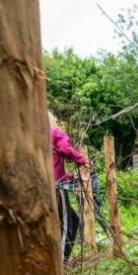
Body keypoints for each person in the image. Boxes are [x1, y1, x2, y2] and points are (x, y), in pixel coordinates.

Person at [50, 112, 87, 262]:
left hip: (44, 184)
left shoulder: (34, 138)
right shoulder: (55, 132)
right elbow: (65, 148)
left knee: (74, 218)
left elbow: (54, 165)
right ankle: (61, 263)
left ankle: (61, 260)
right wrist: (82, 160)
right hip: (56, 187)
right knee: (66, 225)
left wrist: (71, 176)